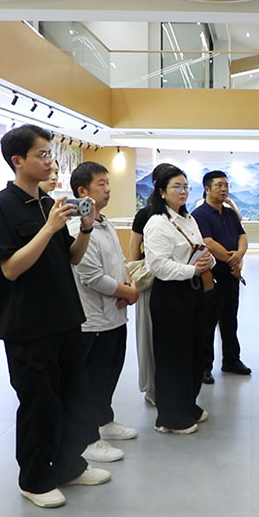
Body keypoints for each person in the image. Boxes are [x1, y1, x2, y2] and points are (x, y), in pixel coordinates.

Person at [0, 124, 109, 509]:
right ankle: (35, 479)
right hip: (28, 324)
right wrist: (50, 227)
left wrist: (84, 228)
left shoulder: (48, 201)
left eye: (49, 154)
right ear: (17, 160)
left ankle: (69, 465)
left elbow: (71, 257)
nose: (49, 161)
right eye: (42, 155)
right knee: (39, 404)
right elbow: (11, 268)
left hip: (65, 316)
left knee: (73, 397)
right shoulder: (0, 207)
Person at [68, 162, 140, 463]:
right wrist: (128, 292)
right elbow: (91, 277)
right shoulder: (77, 228)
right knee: (91, 381)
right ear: (82, 190)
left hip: (115, 315)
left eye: (108, 183)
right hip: (93, 320)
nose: (108, 189)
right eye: (101, 184)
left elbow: (120, 259)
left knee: (109, 374)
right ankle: (87, 439)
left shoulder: (103, 222)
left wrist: (128, 284)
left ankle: (104, 421)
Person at [143, 164, 214, 434]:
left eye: (186, 186)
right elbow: (158, 266)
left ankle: (187, 405)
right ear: (162, 191)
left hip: (192, 291)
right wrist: (192, 270)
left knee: (193, 351)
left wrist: (207, 261)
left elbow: (200, 248)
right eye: (177, 186)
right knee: (173, 355)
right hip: (171, 295)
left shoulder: (188, 218)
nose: (183, 191)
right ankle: (170, 417)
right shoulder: (157, 223)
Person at [192, 170, 252, 384]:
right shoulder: (200, 214)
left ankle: (231, 360)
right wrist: (231, 260)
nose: (224, 189)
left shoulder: (229, 213)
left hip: (231, 276)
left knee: (230, 320)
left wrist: (239, 255)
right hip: (211, 276)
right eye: (219, 185)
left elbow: (242, 236)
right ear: (207, 189)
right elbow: (207, 242)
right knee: (208, 322)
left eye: (226, 185)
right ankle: (204, 367)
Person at [129, 167, 165, 407]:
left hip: (176, 282)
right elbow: (135, 247)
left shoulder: (182, 215)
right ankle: (151, 387)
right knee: (148, 334)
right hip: (150, 281)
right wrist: (137, 278)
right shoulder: (146, 214)